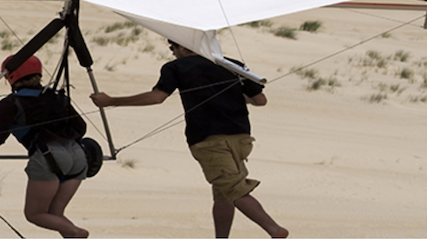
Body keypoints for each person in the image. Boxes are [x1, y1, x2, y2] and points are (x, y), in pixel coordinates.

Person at [89, 41, 288, 238]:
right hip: (241, 137)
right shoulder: (232, 64)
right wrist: (229, 94)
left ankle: (274, 230)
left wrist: (111, 101)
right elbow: (259, 100)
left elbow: (157, 97)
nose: (172, 53)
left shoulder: (175, 67)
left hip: (209, 139)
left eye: (172, 48)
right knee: (223, 192)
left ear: (183, 46)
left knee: (234, 189)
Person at [0, 55, 90, 238]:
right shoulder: (57, 96)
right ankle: (73, 235)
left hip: (49, 156)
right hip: (78, 155)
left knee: (35, 214)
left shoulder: (11, 103)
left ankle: (76, 232)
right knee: (55, 214)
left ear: (11, 76)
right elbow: (80, 127)